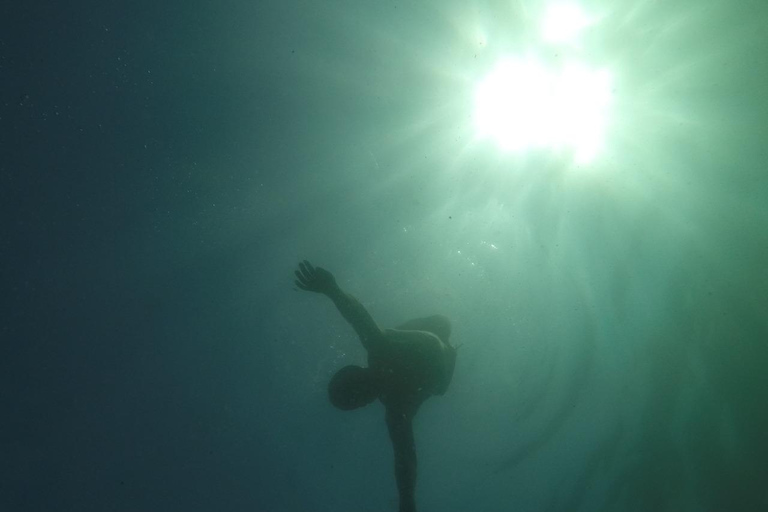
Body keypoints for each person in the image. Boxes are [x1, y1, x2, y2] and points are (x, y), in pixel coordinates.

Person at [294, 260, 458, 512]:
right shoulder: (396, 409)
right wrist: (407, 501)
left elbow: (356, 313)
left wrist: (331, 288)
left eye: (354, 393)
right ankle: (441, 336)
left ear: (358, 373)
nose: (361, 399)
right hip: (438, 361)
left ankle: (439, 333)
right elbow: (405, 458)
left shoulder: (379, 351)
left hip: (433, 342)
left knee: (438, 324)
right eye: (356, 401)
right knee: (434, 327)